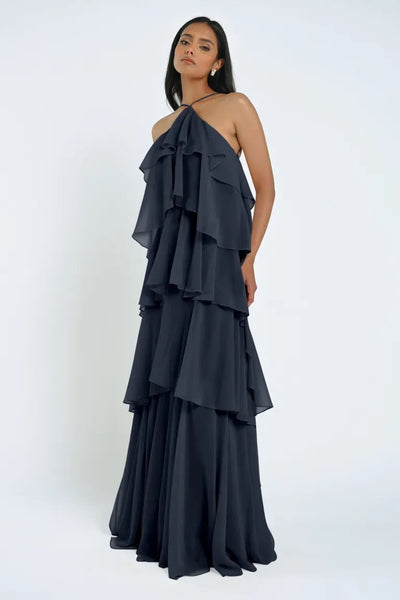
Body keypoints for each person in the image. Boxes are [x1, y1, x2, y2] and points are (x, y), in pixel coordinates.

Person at [108, 16, 277, 580]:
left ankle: (213, 529)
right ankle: (166, 523)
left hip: (218, 274)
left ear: (218, 62)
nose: (192, 50)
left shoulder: (236, 107)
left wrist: (248, 260)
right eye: (186, 41)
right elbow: (166, 217)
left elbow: (266, 187)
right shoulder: (161, 127)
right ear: (175, 52)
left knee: (212, 386)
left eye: (205, 45)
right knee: (169, 384)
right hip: (171, 279)